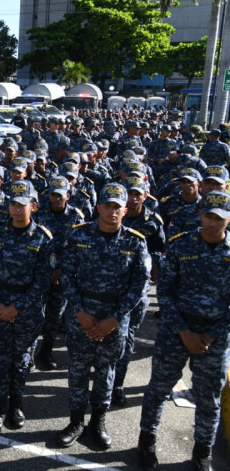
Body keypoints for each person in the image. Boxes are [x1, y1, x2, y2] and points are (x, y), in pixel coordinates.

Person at [137, 191, 230, 471]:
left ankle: (203, 451)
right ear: (200, 214)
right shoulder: (180, 245)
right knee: (158, 389)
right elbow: (164, 291)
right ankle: (146, 441)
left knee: (209, 398)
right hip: (176, 331)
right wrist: (184, 331)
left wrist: (211, 335)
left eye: (220, 218)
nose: (213, 223)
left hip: (216, 336)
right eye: (209, 216)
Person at [57, 183, 151, 451]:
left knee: (105, 372)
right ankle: (75, 422)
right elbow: (67, 276)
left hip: (114, 318)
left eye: (117, 207)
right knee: (77, 370)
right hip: (82, 314)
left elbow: (140, 285)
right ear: (98, 207)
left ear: (125, 210)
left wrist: (115, 317)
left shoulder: (135, 241)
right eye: (107, 205)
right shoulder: (78, 235)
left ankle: (98, 423)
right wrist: (79, 310)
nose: (112, 211)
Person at [0, 180, 54, 433]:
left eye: (22, 204)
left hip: (28, 311)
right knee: (0, 360)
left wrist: (17, 307)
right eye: (13, 203)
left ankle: (16, 405)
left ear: (33, 206)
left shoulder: (43, 238)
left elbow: (44, 280)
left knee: (21, 360)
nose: (16, 209)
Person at [113, 176, 165, 407]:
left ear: (145, 196)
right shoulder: (112, 216)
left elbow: (159, 252)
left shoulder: (153, 222)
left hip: (136, 290)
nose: (134, 198)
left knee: (127, 337)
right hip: (110, 286)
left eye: (138, 194)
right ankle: (106, 374)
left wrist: (153, 266)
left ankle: (118, 384)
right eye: (130, 194)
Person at [34, 176, 84, 370]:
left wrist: (60, 270)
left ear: (68, 196)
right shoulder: (39, 213)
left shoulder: (76, 217)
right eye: (53, 194)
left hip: (61, 276)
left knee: (55, 315)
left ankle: (46, 351)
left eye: (60, 195)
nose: (56, 199)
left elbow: (77, 248)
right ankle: (29, 351)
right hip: (39, 271)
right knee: (34, 313)